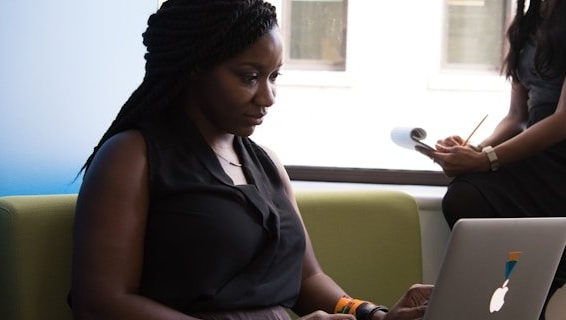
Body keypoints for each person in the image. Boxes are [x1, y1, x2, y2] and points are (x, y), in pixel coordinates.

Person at [69, 1, 432, 319]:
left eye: (274, 76)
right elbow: (101, 303)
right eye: (250, 77)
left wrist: (371, 314)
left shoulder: (266, 164)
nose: (269, 96)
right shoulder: (132, 155)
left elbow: (308, 280)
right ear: (195, 66)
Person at [424, 0, 566, 319]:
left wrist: (484, 161)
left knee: (525, 293)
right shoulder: (531, 16)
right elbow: (517, 118)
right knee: (465, 198)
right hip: (541, 156)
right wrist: (474, 151)